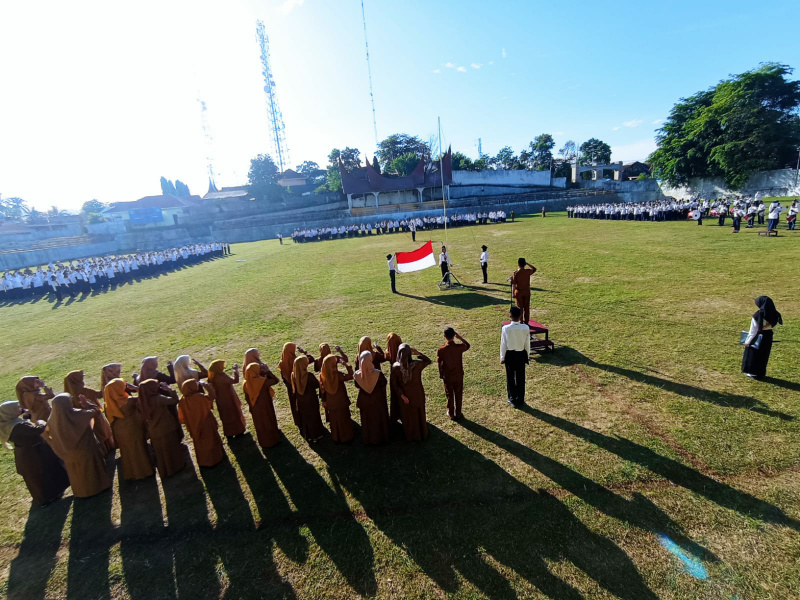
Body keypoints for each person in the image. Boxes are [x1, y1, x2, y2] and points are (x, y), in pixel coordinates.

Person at [0, 400, 70, 506]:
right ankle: (49, 497)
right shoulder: (17, 427)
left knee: (43, 472)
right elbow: (37, 430)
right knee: (41, 473)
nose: (20, 409)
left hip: (29, 450)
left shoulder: (9, 423)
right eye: (17, 408)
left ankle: (54, 492)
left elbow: (25, 429)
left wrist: (26, 416)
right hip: (33, 453)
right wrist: (39, 421)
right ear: (10, 412)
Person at [45, 394, 113, 498]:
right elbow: (96, 411)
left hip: (68, 453)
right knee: (91, 470)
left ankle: (81, 492)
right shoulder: (77, 414)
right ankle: (98, 487)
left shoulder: (52, 420)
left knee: (77, 474)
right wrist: (87, 404)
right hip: (86, 449)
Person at [105, 378, 154, 480]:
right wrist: (136, 388)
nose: (125, 386)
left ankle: (131, 473)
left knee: (127, 451)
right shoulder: (128, 401)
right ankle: (144, 472)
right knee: (138, 449)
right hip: (132, 428)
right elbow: (144, 397)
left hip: (120, 430)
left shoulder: (109, 403)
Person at [137, 379, 185, 478]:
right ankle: (176, 467)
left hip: (154, 431)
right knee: (171, 449)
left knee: (161, 453)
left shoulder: (142, 401)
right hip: (166, 427)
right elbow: (174, 400)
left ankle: (165, 471)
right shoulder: (158, 398)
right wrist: (169, 390)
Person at [63, 370, 116, 455]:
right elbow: (100, 394)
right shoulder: (83, 390)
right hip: (94, 413)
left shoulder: (68, 394)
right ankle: (109, 448)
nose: (83, 379)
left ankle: (101, 451)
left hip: (83, 418)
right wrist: (105, 381)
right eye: (81, 377)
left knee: (95, 433)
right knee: (102, 430)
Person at [391, 343, 432, 441]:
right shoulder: (416, 365)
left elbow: (394, 384)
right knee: (420, 412)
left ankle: (412, 436)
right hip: (417, 393)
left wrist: (402, 395)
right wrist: (418, 353)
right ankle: (423, 432)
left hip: (405, 395)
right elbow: (428, 361)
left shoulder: (396, 367)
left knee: (408, 416)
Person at [179, 379, 223, 467]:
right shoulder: (199, 397)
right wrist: (207, 386)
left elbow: (182, 417)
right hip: (206, 423)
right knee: (210, 440)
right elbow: (212, 397)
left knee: (199, 443)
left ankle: (203, 460)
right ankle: (214, 459)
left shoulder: (182, 400)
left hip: (193, 425)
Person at [353, 350, 390, 445]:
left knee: (367, 420)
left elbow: (357, 385)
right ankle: (381, 437)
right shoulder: (377, 373)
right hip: (377, 399)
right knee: (378, 418)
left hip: (364, 401)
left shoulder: (357, 375)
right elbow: (384, 382)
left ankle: (369, 439)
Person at [742, 296, 782, 379]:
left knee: (753, 355)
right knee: (764, 355)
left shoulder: (758, 315)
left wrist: (747, 342)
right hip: (768, 336)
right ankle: (760, 373)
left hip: (758, 336)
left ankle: (752, 372)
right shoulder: (775, 314)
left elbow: (753, 331)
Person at [242, 362, 281, 449]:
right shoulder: (261, 381)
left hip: (255, 407)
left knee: (260, 424)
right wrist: (268, 371)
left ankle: (264, 442)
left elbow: (246, 397)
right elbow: (275, 380)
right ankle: (272, 441)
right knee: (269, 421)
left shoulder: (245, 383)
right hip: (265, 405)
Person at [436, 328, 470, 420]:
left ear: (444, 336)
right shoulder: (459, 348)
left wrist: (440, 373)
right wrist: (460, 337)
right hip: (458, 375)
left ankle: (451, 413)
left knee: (449, 395)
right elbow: (467, 345)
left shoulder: (441, 349)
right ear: (454, 335)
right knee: (458, 393)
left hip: (448, 376)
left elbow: (439, 363)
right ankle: (458, 413)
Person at [501, 306, 531, 408]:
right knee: (521, 377)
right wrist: (527, 355)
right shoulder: (525, 328)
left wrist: (502, 357)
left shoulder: (506, 328)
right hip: (521, 354)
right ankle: (521, 398)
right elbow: (527, 344)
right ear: (520, 316)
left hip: (510, 355)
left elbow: (503, 344)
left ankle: (512, 398)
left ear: (510, 316)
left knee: (510, 377)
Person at [320, 354, 354, 443]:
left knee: (334, 420)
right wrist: (346, 365)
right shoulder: (338, 375)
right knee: (344, 418)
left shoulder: (322, 376)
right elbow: (351, 376)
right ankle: (346, 436)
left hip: (331, 402)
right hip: (341, 400)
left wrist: (324, 400)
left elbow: (322, 391)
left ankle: (336, 436)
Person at [208, 360, 247, 438]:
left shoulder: (212, 377)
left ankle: (229, 432)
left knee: (225, 416)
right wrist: (235, 370)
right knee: (234, 414)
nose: (224, 367)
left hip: (220, 400)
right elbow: (235, 380)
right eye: (222, 366)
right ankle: (238, 431)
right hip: (228, 398)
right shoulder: (221, 376)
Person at [292, 355, 326, 442]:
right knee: (313, 416)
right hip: (311, 399)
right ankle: (317, 434)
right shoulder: (309, 375)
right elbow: (316, 385)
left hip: (300, 400)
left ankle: (308, 434)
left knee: (305, 417)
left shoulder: (293, 375)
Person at [511, 258, 536, 325]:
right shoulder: (527, 271)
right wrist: (527, 263)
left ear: (518, 264)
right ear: (524, 264)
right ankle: (526, 322)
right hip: (527, 291)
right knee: (526, 308)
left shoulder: (516, 273)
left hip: (519, 292)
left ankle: (521, 321)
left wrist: (513, 293)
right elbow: (534, 269)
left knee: (520, 307)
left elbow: (514, 284)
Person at [386, 332, 404, 423]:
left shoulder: (389, 354)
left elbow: (385, 355)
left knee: (394, 393)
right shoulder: (403, 352)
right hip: (402, 375)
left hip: (393, 375)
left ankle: (395, 414)